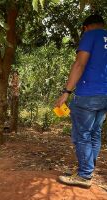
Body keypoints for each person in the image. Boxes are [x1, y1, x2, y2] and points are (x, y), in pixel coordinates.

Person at [55, 14, 107, 188]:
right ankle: (87, 170)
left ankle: (84, 175)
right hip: (105, 95)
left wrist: (66, 92)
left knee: (82, 134)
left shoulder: (90, 35)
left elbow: (80, 64)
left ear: (86, 27)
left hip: (88, 94)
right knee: (95, 133)